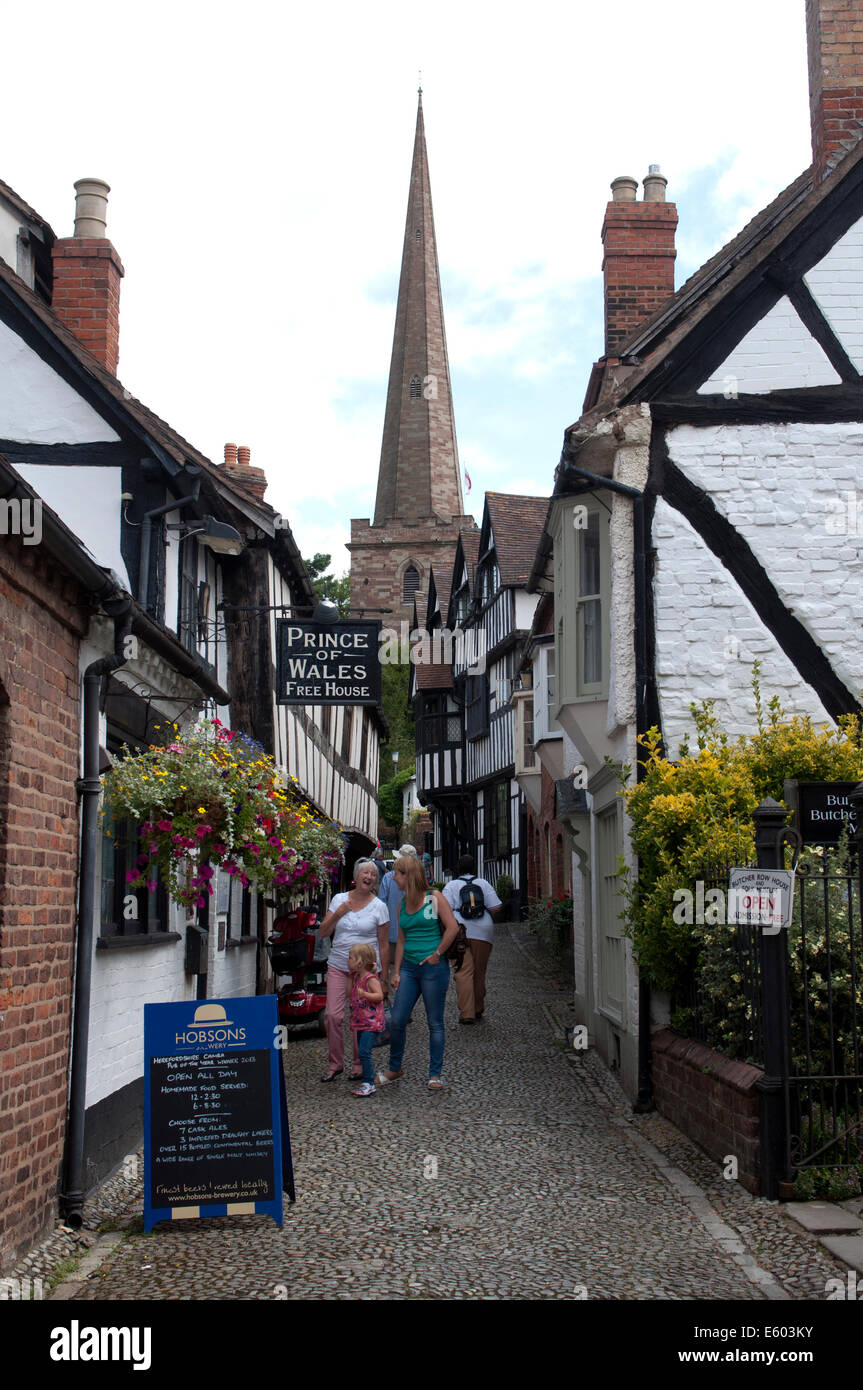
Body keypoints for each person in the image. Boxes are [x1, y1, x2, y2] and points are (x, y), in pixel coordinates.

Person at [377, 854, 461, 1091]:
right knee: (398, 1020)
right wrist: (396, 971)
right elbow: (401, 940)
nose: (394, 878)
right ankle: (395, 1068)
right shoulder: (402, 904)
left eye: (398, 873)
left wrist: (437, 953)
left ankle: (435, 1074)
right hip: (409, 969)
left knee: (435, 1022)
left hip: (433, 968)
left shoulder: (434, 898)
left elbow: (452, 928)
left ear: (409, 875)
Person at [317, 858, 390, 1082]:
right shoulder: (340, 899)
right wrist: (339, 912)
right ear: (356, 876)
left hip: (365, 972)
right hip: (339, 964)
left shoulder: (380, 907)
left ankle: (359, 1063)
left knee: (361, 1018)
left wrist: (384, 978)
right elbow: (322, 932)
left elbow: (384, 943)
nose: (369, 877)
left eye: (373, 874)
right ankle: (335, 1063)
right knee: (332, 1016)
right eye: (365, 873)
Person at [442, 854, 503, 1024]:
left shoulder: (451, 886)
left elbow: (443, 910)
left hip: (459, 932)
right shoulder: (483, 883)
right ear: (474, 868)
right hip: (484, 932)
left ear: (458, 869)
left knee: (463, 971)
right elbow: (497, 907)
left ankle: (467, 1013)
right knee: (479, 971)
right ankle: (478, 1007)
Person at [377, 843, 419, 988]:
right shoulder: (420, 880)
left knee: (390, 968)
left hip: (391, 932)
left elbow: (381, 904)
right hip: (413, 936)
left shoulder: (389, 878)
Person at [347, 943, 385, 1097]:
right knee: (362, 1051)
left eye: (350, 958)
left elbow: (379, 996)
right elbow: (349, 993)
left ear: (360, 963)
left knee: (364, 1052)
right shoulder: (357, 977)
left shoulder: (370, 979)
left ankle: (369, 1082)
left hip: (371, 1022)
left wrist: (365, 995)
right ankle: (367, 1081)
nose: (347, 960)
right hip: (361, 1022)